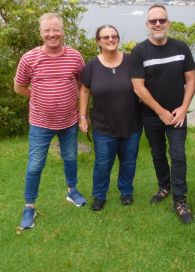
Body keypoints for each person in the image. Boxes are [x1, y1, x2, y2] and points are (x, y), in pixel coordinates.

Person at [14, 13, 87, 230]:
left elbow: (83, 86)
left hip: (69, 121)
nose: (52, 34)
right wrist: (38, 96)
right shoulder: (29, 58)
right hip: (40, 123)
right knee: (35, 165)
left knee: (70, 157)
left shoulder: (75, 57)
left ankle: (72, 191)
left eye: (56, 29)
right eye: (47, 30)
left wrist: (83, 114)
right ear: (41, 33)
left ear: (63, 31)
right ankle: (29, 206)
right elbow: (18, 87)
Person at [130, 4, 195, 224]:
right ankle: (164, 186)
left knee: (178, 156)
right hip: (151, 116)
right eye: (153, 21)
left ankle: (180, 200)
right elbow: (139, 87)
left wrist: (184, 108)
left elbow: (191, 80)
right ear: (147, 25)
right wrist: (160, 112)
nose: (158, 24)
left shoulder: (181, 48)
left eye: (162, 20)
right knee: (158, 154)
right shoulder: (139, 52)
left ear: (168, 22)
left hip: (177, 114)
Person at [79, 25, 142, 211]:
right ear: (98, 41)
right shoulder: (92, 65)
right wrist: (83, 116)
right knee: (102, 164)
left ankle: (126, 192)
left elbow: (143, 86)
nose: (110, 39)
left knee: (129, 161)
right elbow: (84, 90)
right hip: (103, 126)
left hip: (132, 123)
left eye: (114, 36)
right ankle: (99, 196)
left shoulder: (131, 61)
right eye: (105, 37)